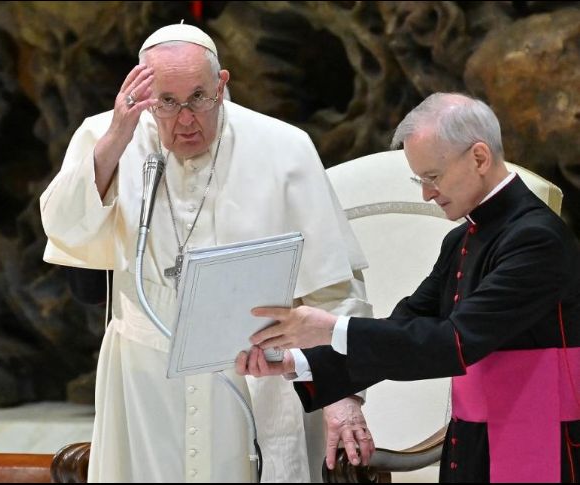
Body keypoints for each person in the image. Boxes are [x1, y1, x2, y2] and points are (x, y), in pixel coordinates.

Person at [40, 23, 375, 482]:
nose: (184, 119)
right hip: (143, 378)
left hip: (251, 370)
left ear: (222, 84)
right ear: (141, 93)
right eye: (166, 102)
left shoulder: (284, 147)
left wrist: (342, 396)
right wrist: (118, 136)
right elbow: (64, 230)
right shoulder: (107, 136)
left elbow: (334, 286)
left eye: (199, 98)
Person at [237, 92, 580, 482]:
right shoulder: (462, 238)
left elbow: (453, 342)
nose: (426, 193)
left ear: (479, 158)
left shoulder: (536, 238)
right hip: (473, 436)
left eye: (432, 177)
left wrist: (330, 327)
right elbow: (408, 322)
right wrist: (298, 362)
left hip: (533, 436)